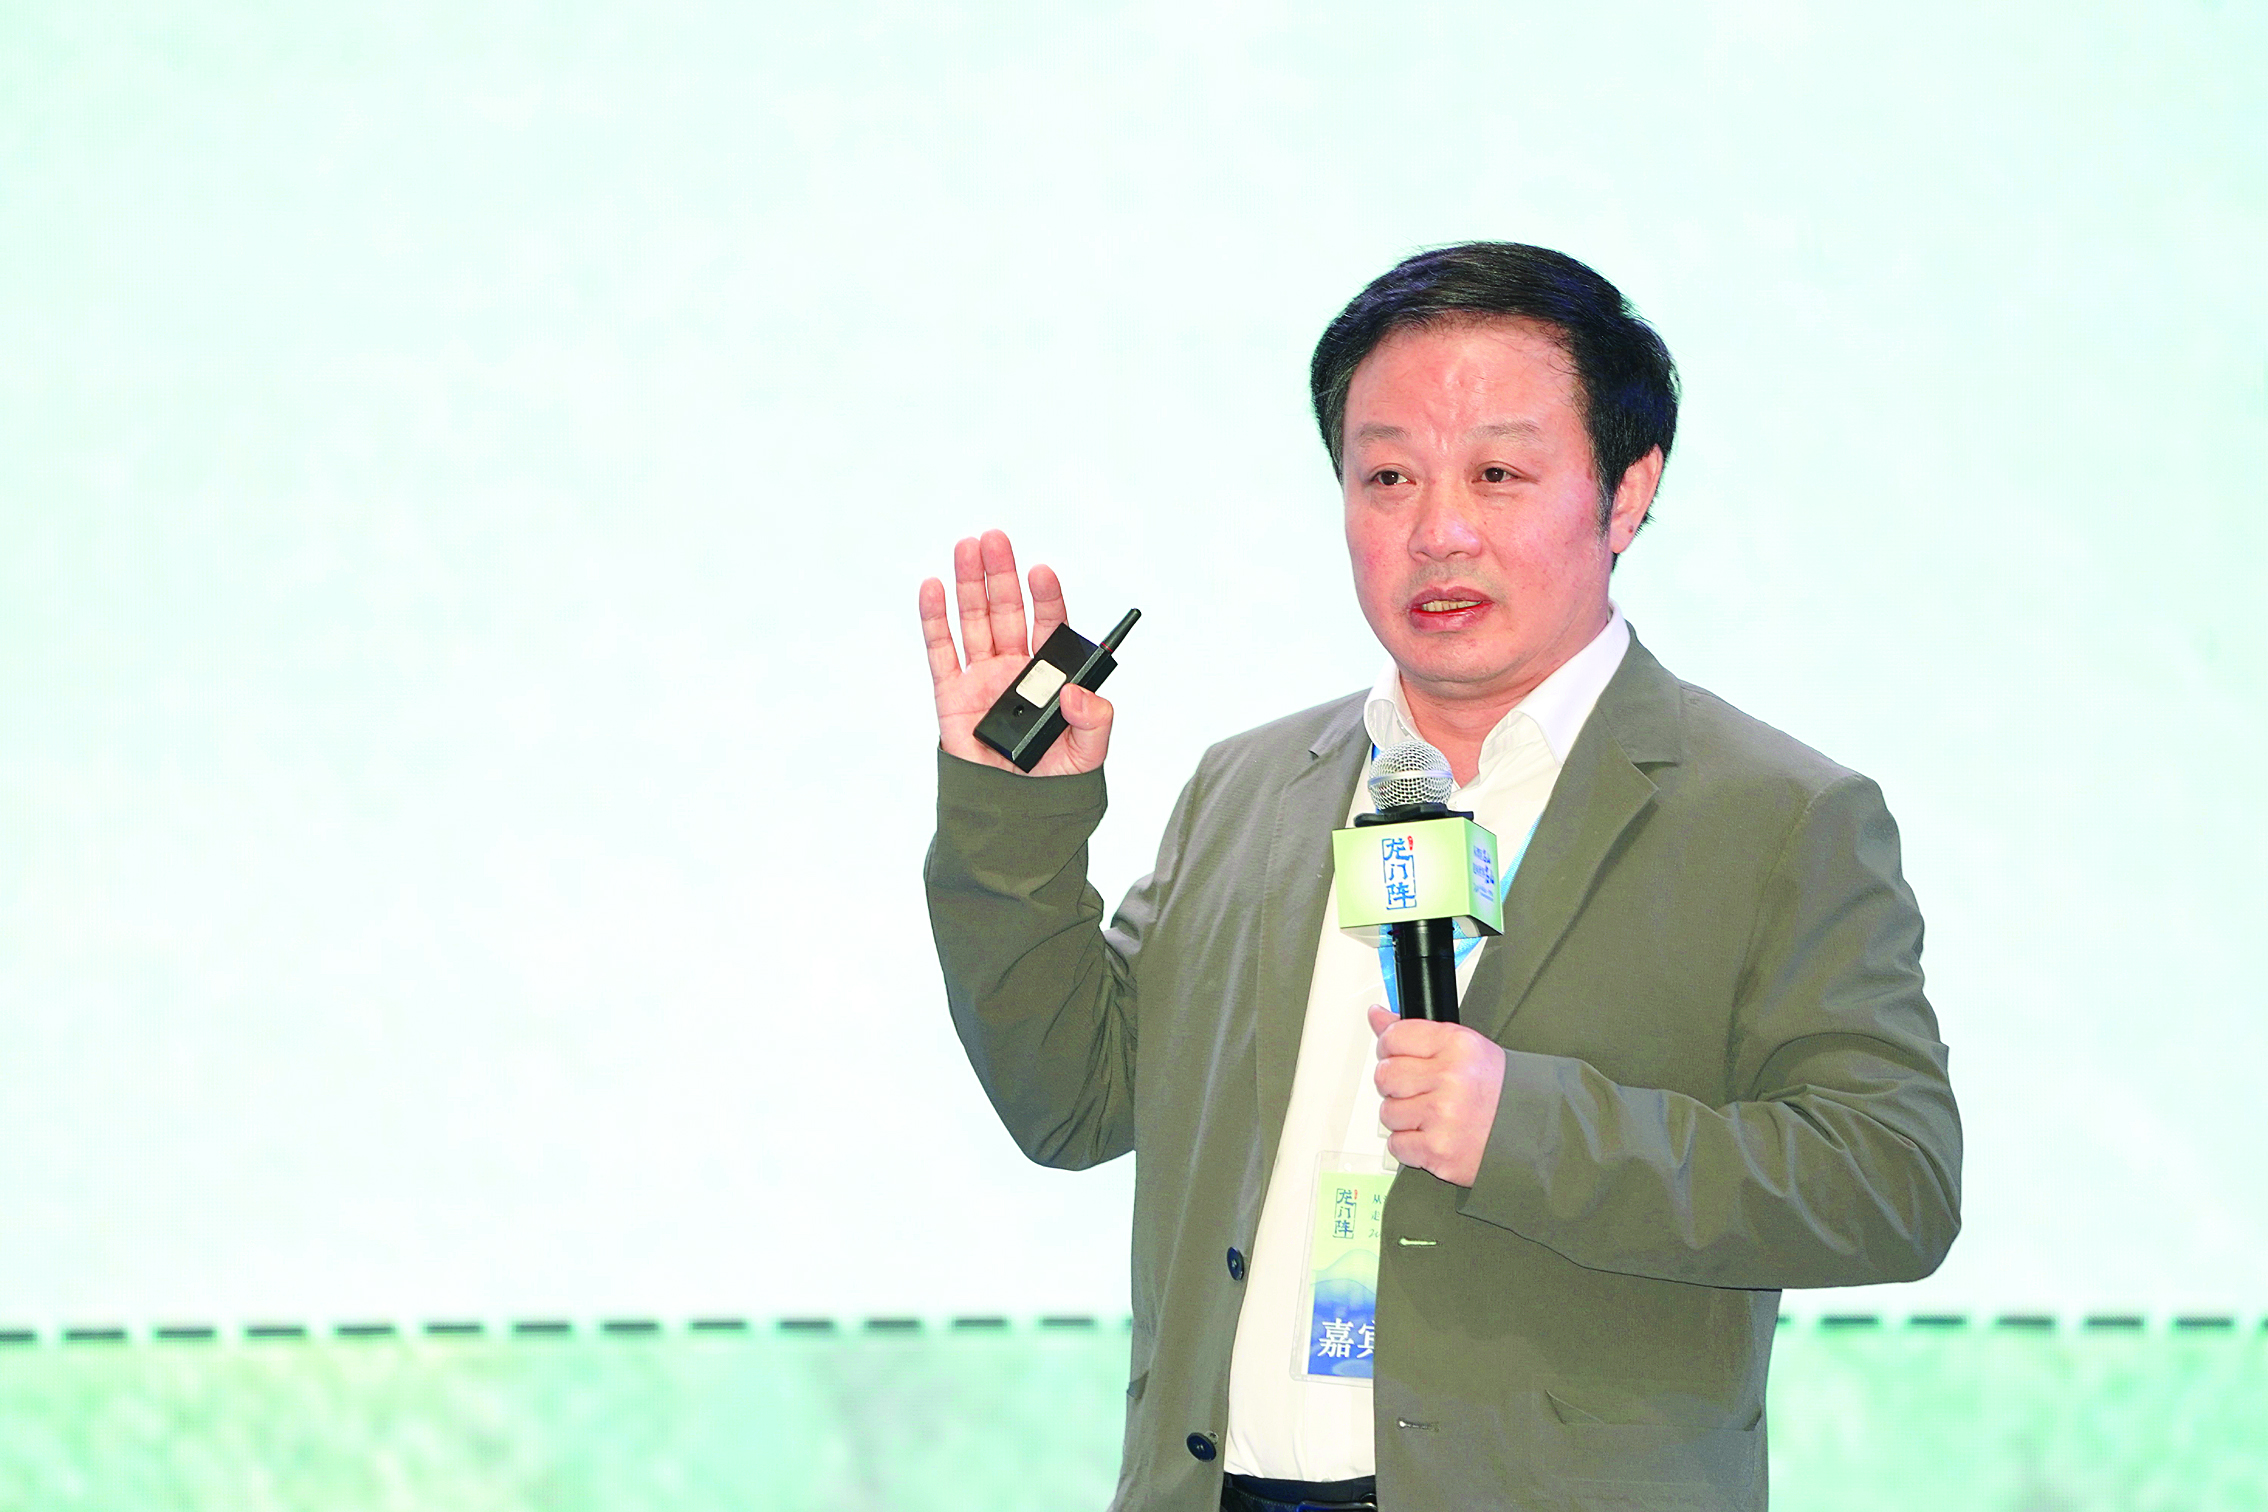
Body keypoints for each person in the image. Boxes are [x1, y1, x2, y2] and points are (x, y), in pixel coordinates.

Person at [919, 242, 1961, 1512]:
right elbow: (1071, 1102)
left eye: (1499, 474)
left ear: (1627, 494)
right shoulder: (1251, 789)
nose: (1438, 531)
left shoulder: (1778, 816)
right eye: (1388, 477)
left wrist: (1529, 1127)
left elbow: (1892, 1183)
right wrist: (1013, 814)